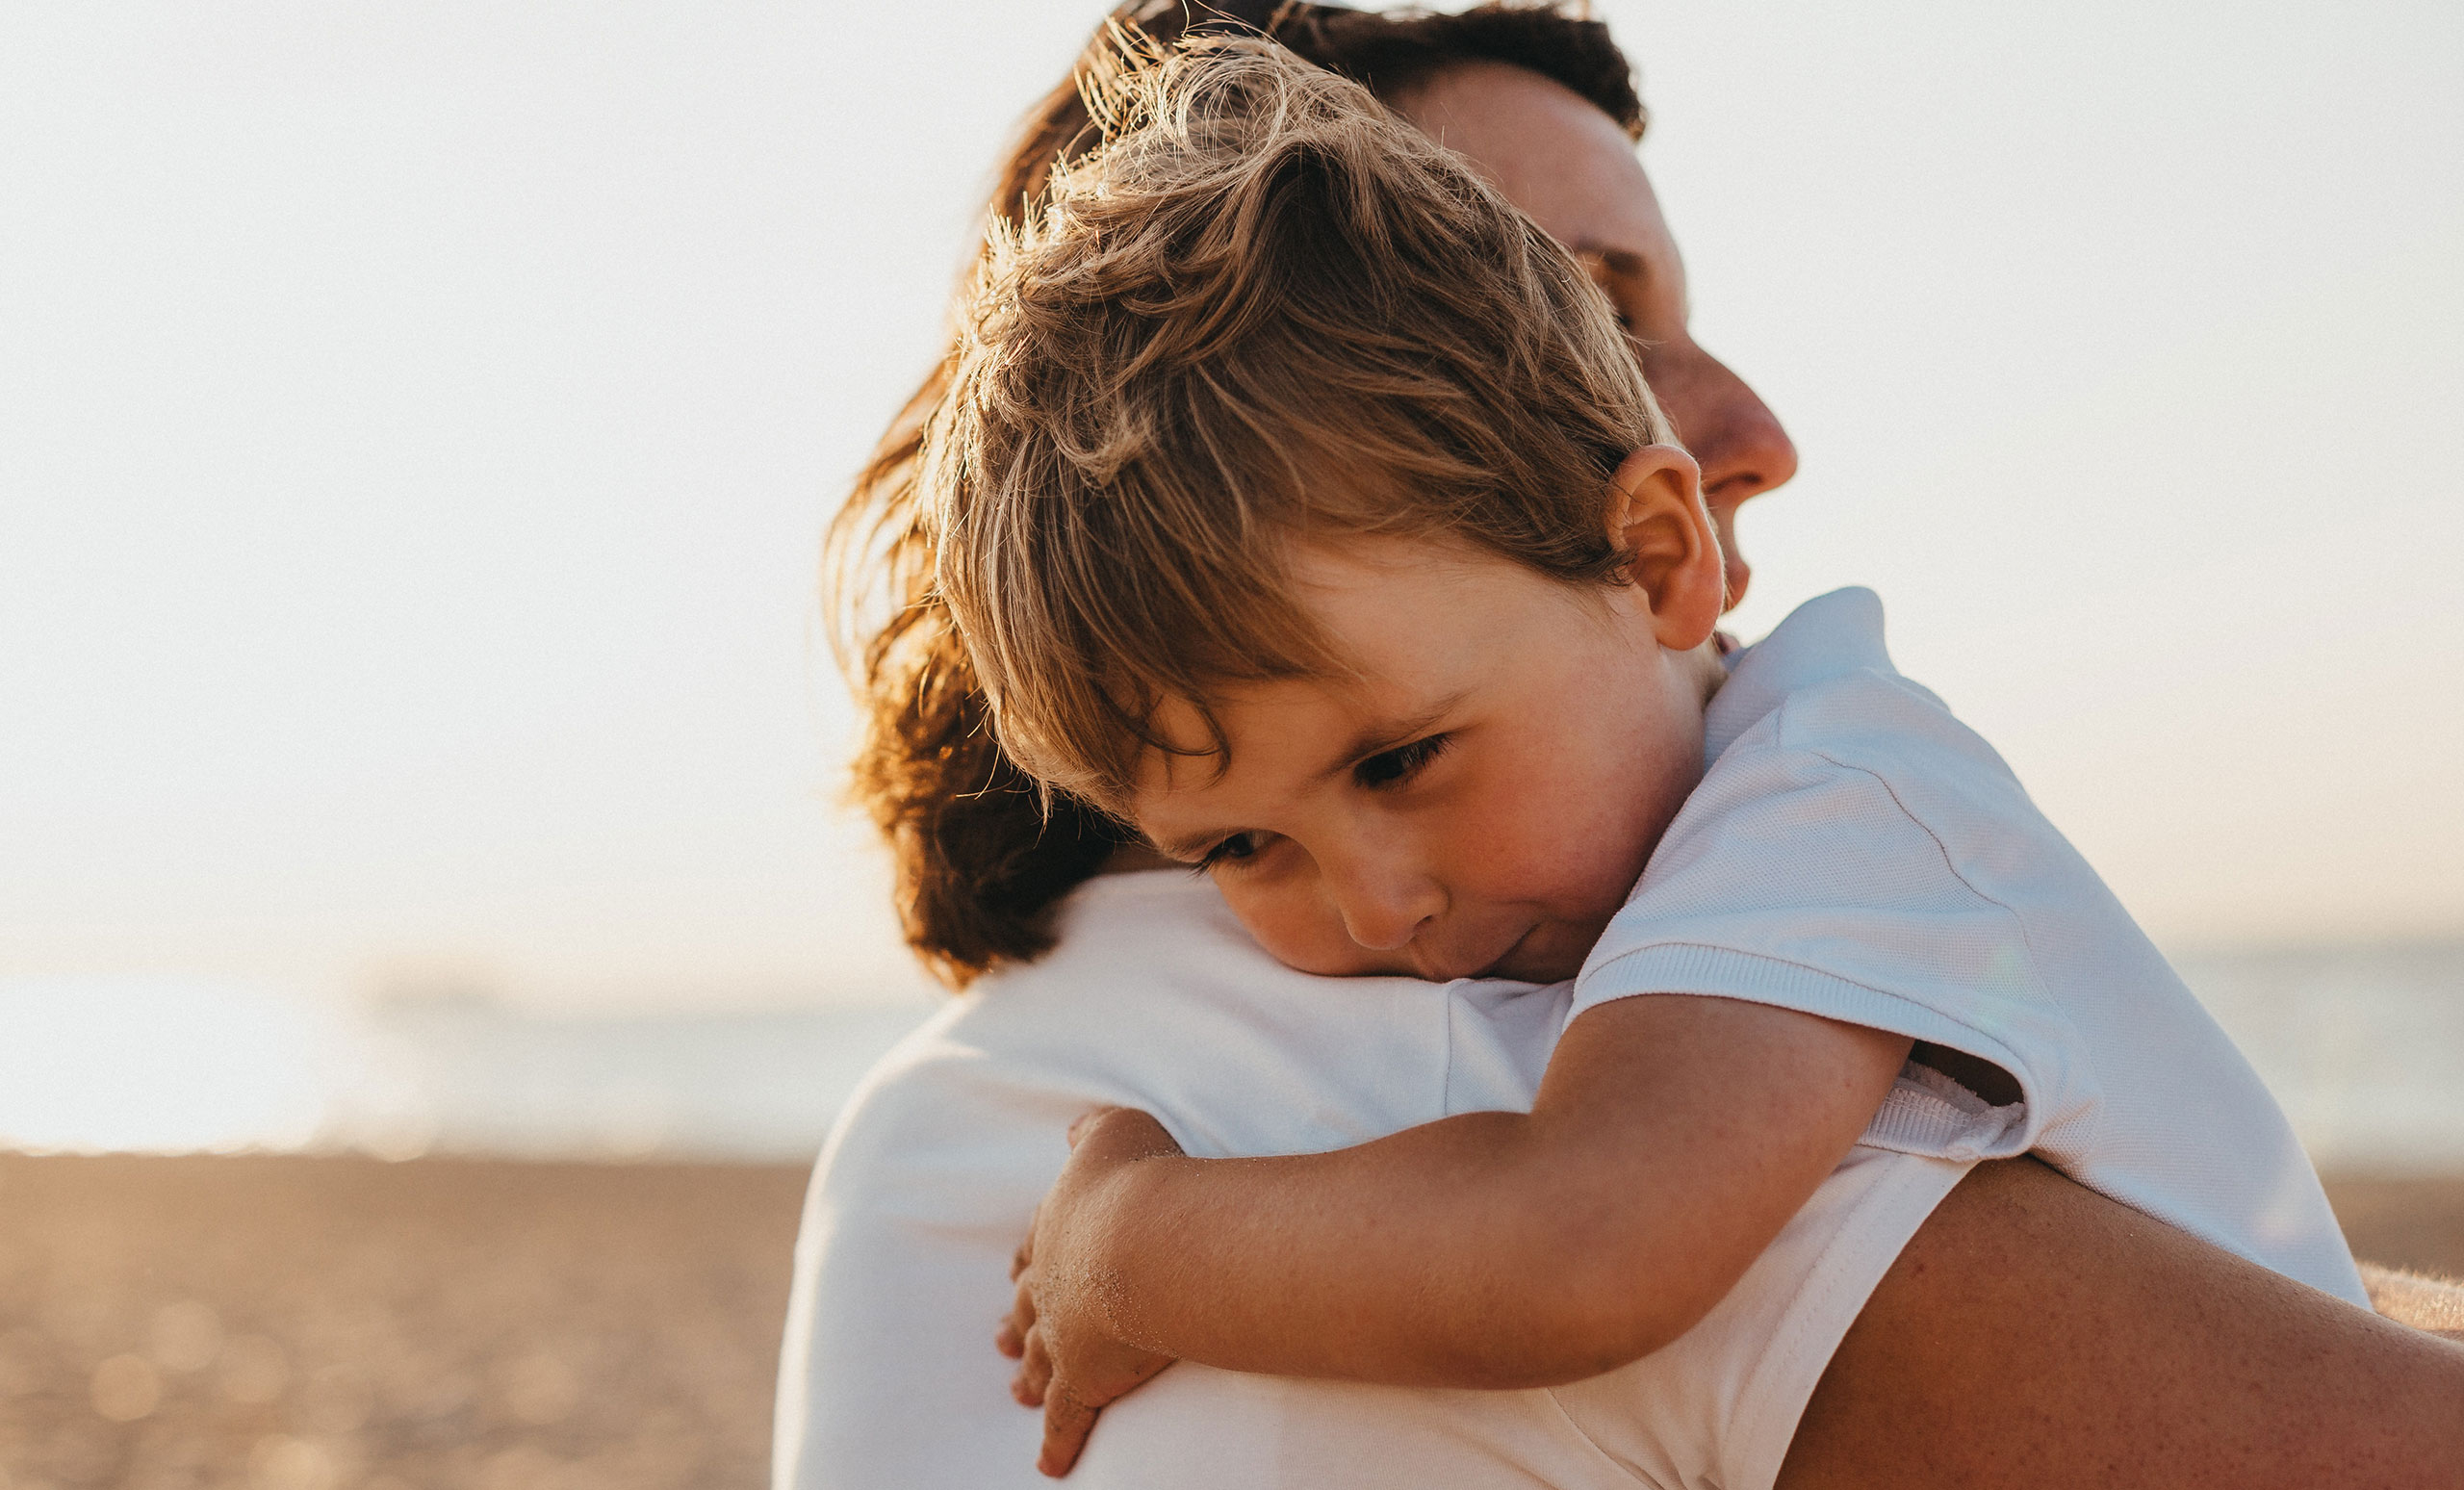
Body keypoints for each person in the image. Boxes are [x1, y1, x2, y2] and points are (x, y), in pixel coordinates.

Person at [776, 7, 2464, 1489]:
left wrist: (1128, 1242)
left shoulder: (995, 1089)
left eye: (1398, 763)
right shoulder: (1451, 1054)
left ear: (1644, 555)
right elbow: (1579, 1239)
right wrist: (1126, 1239)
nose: (1369, 912)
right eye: (1580, 308)